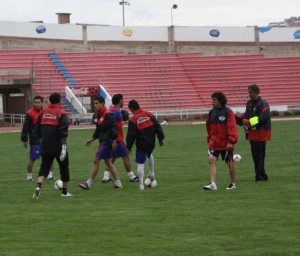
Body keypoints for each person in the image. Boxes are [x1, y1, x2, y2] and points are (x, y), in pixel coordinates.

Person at [32, 92, 72, 199]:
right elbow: (63, 131)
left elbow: (37, 129)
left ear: (50, 101)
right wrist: (63, 146)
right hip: (58, 146)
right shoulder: (61, 113)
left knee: (44, 168)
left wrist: (40, 141)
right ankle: (64, 192)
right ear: (59, 101)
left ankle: (38, 186)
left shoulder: (43, 112)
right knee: (64, 168)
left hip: (45, 145)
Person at [79, 96, 123, 190]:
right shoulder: (99, 114)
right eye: (94, 104)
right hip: (103, 141)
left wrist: (114, 141)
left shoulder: (108, 114)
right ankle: (118, 183)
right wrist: (92, 139)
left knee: (96, 160)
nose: (95, 105)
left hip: (107, 142)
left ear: (103, 103)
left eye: (97, 103)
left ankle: (88, 183)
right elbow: (99, 129)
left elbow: (115, 128)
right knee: (108, 163)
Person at [126, 100, 165, 191]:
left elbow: (131, 135)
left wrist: (129, 146)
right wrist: (160, 139)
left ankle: (141, 185)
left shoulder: (133, 120)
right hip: (151, 143)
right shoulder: (149, 114)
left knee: (140, 164)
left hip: (141, 144)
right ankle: (151, 175)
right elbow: (158, 127)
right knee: (149, 155)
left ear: (131, 109)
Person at [235, 84, 271, 182]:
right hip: (252, 134)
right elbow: (247, 115)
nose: (249, 94)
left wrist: (247, 122)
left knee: (259, 155)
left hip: (261, 134)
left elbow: (262, 119)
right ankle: (262, 175)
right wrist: (239, 117)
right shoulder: (249, 103)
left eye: (250, 92)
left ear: (256, 92)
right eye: (248, 92)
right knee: (256, 156)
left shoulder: (263, 103)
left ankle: (259, 177)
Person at [203, 92, 238, 190]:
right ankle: (213, 184)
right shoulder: (211, 112)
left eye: (214, 99)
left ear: (220, 100)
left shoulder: (228, 112)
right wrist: (209, 138)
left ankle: (232, 183)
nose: (212, 101)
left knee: (229, 162)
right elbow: (208, 126)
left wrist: (231, 142)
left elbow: (232, 128)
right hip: (214, 143)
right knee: (211, 160)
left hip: (226, 144)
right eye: (212, 99)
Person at [102, 94, 138, 183]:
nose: (123, 101)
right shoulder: (117, 112)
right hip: (117, 138)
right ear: (120, 100)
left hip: (113, 138)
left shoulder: (112, 110)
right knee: (126, 157)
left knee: (112, 157)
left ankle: (106, 177)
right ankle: (131, 176)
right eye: (123, 99)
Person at [21, 95, 54, 182]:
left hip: (46, 139)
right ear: (33, 103)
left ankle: (50, 176)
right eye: (35, 102)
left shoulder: (45, 112)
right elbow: (26, 127)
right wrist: (24, 139)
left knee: (50, 156)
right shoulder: (29, 113)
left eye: (39, 102)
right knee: (33, 158)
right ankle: (29, 177)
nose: (37, 104)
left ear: (42, 103)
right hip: (35, 140)